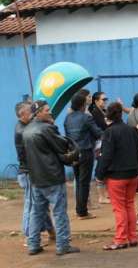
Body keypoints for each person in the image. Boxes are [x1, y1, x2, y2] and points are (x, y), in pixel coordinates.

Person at [22, 100, 80, 256]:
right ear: (38, 112)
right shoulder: (47, 129)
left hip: (36, 178)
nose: (50, 112)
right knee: (59, 212)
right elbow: (62, 147)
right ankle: (63, 245)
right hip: (52, 177)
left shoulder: (27, 130)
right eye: (47, 110)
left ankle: (33, 244)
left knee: (37, 212)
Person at [96, 102, 138, 250]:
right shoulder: (132, 130)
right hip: (133, 174)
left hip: (116, 176)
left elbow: (106, 156)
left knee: (119, 208)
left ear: (108, 115)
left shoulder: (109, 132)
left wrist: (99, 174)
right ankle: (132, 237)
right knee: (129, 205)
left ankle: (121, 239)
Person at [15, 102, 55, 245]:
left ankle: (51, 232)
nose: (32, 115)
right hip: (27, 172)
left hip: (31, 171)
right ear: (22, 115)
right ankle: (28, 237)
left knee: (40, 204)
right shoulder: (22, 131)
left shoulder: (26, 127)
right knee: (31, 205)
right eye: (29, 113)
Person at [64, 93, 103, 220]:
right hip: (85, 152)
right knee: (84, 182)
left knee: (79, 180)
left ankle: (79, 209)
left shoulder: (67, 118)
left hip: (73, 153)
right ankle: (82, 212)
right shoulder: (86, 117)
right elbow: (97, 133)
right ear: (82, 105)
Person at [89, 91, 110, 204]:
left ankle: (105, 194)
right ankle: (101, 196)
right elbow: (103, 127)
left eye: (106, 99)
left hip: (105, 142)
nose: (105, 101)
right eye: (103, 99)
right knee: (101, 168)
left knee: (106, 168)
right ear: (96, 101)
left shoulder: (103, 111)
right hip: (98, 144)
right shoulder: (94, 113)